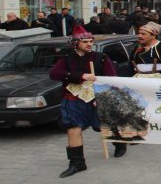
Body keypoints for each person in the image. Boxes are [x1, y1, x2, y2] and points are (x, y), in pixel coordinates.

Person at [49, 25, 125, 178]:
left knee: (103, 127)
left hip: (95, 99)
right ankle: (77, 163)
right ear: (76, 43)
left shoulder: (100, 57)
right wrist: (80, 76)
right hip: (73, 100)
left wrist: (102, 97)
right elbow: (54, 74)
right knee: (73, 128)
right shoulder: (66, 58)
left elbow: (111, 78)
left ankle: (119, 143)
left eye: (91, 41)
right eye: (85, 41)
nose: (89, 44)